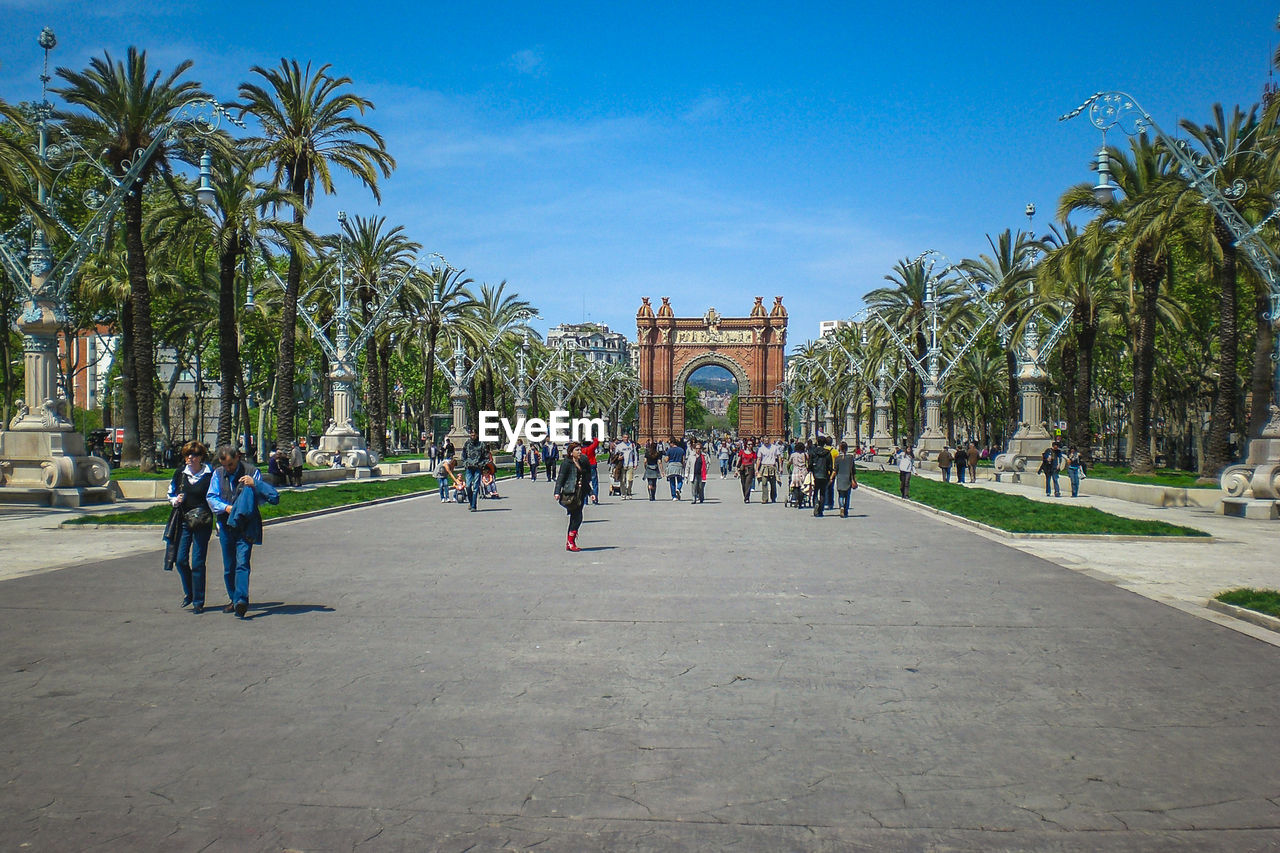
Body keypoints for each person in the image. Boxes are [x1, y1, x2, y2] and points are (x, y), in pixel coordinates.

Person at [207, 444, 279, 619]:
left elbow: (264, 497)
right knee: (229, 566)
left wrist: (254, 484)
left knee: (242, 563)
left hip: (246, 525)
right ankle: (233, 598)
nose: (228, 469)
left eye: (230, 465)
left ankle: (241, 600)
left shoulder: (251, 472)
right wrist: (226, 508)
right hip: (226, 524)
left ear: (238, 457)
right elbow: (211, 496)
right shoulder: (218, 474)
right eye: (224, 465)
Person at [164, 441, 214, 613]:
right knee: (181, 559)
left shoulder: (210, 474)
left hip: (203, 522)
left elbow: (215, 494)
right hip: (184, 521)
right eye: (187, 455)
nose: (190, 458)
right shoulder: (180, 474)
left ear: (201, 457)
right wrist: (174, 500)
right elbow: (170, 492)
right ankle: (189, 592)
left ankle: (198, 601)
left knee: (198, 562)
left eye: (193, 455)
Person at [554, 441, 592, 551]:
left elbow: (585, 479)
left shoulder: (583, 461)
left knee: (576, 517)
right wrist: (557, 491)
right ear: (571, 452)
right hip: (570, 493)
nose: (580, 452)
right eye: (577, 450)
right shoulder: (567, 463)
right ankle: (570, 541)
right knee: (577, 517)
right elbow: (561, 477)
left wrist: (591, 493)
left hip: (581, 493)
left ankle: (570, 541)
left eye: (580, 450)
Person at [461, 429, 490, 512]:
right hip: (469, 467)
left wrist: (482, 464)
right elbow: (463, 455)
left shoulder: (481, 444)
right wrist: (465, 462)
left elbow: (486, 456)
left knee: (476, 487)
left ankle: (474, 505)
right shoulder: (467, 443)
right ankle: (471, 502)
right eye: (471, 434)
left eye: (474, 435)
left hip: (477, 467)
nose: (472, 436)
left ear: (477, 435)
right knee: (468, 486)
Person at [806, 438, 833, 516]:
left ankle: (816, 504)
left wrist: (810, 471)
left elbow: (810, 463)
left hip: (815, 474)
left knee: (815, 491)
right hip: (824, 474)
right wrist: (830, 475)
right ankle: (821, 509)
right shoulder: (827, 453)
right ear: (824, 443)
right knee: (822, 492)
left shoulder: (813, 452)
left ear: (817, 442)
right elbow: (830, 466)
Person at [833, 441, 859, 518]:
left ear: (840, 449)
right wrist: (854, 479)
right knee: (847, 496)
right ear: (847, 448)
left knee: (841, 495)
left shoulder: (837, 458)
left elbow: (835, 469)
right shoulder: (850, 457)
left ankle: (841, 507)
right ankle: (846, 510)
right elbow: (853, 470)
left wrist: (832, 478)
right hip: (848, 478)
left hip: (840, 478)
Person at [756, 436, 781, 504]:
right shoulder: (761, 449)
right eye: (765, 441)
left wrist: (780, 467)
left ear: (769, 440)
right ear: (763, 441)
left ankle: (773, 497)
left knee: (773, 484)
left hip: (772, 466)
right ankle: (765, 498)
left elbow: (779, 457)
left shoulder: (774, 447)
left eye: (767, 440)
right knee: (764, 483)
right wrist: (757, 469)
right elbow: (759, 459)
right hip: (764, 467)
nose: (766, 442)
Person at [686, 440, 709, 504]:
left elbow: (707, 463)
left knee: (700, 487)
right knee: (694, 486)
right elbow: (688, 465)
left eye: (699, 448)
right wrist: (686, 474)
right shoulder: (691, 456)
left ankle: (701, 498)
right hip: (694, 473)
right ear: (694, 449)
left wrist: (706, 470)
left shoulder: (704, 456)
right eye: (697, 448)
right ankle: (694, 498)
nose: (698, 450)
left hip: (702, 474)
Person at [787, 440, 809, 508]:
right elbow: (808, 462)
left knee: (796, 486)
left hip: (796, 471)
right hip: (803, 471)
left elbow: (789, 463)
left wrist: (788, 470)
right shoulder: (805, 454)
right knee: (803, 487)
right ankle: (801, 501)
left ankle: (796, 498)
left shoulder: (793, 455)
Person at [615, 434, 638, 499]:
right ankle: (623, 493)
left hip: (630, 464)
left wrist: (635, 463)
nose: (626, 438)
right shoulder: (619, 446)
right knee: (622, 480)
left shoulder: (632, 445)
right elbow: (615, 455)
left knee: (630, 479)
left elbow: (635, 455)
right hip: (622, 465)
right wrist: (618, 457)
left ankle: (629, 491)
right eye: (625, 437)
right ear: (622, 438)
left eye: (627, 437)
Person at [582, 436, 602, 504]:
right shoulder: (591, 448)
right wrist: (593, 437)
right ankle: (595, 499)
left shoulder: (581, 450)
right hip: (592, 465)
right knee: (594, 484)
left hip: (584, 467)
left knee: (585, 484)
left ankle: (585, 501)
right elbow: (596, 442)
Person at [737, 438, 757, 503]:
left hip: (750, 468)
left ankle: (747, 498)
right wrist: (736, 469)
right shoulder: (742, 452)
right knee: (743, 484)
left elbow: (754, 462)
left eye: (751, 444)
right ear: (746, 445)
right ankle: (745, 496)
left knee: (748, 483)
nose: (750, 446)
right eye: (748, 444)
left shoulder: (753, 453)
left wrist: (756, 470)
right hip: (743, 468)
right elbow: (739, 460)